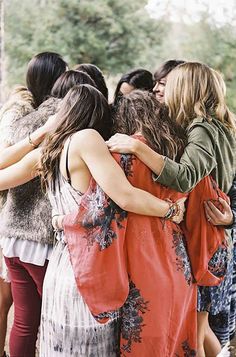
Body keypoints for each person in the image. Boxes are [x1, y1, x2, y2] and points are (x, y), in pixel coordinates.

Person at [0, 85, 185, 356]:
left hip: (60, 266)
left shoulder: (48, 151)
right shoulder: (87, 140)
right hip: (89, 268)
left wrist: (39, 134)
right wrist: (169, 211)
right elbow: (125, 196)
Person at [54, 89, 228, 356]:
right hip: (178, 263)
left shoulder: (118, 157)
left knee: (146, 343)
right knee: (176, 338)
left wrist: (61, 219)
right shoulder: (181, 155)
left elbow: (99, 213)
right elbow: (209, 208)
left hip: (139, 262)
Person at [107, 62, 236, 357]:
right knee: (196, 328)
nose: (158, 89)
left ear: (187, 89)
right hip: (213, 234)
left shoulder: (202, 128)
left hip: (206, 238)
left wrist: (138, 147)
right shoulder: (221, 124)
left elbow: (185, 176)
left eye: (168, 84)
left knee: (196, 331)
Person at [0, 52, 68, 357]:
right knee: (56, 315)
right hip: (42, 237)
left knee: (25, 320)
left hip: (12, 231)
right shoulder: (60, 116)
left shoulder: (20, 117)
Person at [0, 86, 35, 357]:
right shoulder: (19, 112)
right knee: (4, 299)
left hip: (12, 221)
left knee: (16, 306)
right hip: (10, 217)